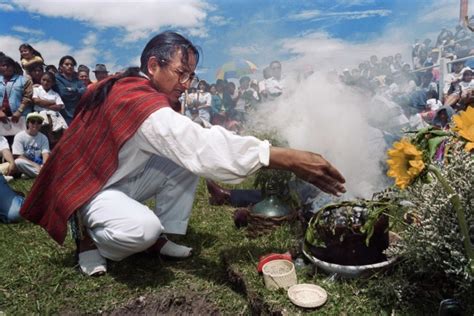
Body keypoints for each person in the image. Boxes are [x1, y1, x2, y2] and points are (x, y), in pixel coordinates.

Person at [20, 31, 346, 277]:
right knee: (140, 229)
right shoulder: (135, 98)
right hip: (93, 189)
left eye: (191, 75)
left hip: (120, 177)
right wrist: (281, 156)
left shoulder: (146, 92)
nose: (187, 84)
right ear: (153, 65)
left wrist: (213, 174)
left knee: (184, 161)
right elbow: (196, 145)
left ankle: (158, 238)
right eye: (181, 73)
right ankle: (91, 238)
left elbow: (191, 142)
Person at [12, 112, 50, 178]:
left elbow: (45, 154)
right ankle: (43, 175)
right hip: (26, 163)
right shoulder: (19, 136)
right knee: (18, 162)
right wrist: (35, 165)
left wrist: (44, 165)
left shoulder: (43, 137)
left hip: (39, 163)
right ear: (27, 123)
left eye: (39, 122)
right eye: (32, 121)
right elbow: (18, 156)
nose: (35, 124)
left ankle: (30, 174)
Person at [0, 55, 33, 124]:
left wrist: (19, 111)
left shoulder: (25, 80)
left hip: (21, 117)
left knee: (21, 134)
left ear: (13, 67)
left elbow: (28, 98)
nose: (6, 68)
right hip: (1, 117)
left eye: (9, 65)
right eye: (3, 65)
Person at [54, 55, 86, 124]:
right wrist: (78, 92)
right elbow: (64, 93)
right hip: (63, 117)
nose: (70, 66)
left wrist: (72, 90)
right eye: (67, 64)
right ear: (61, 66)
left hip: (78, 116)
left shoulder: (77, 80)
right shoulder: (57, 79)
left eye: (72, 65)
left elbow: (84, 92)